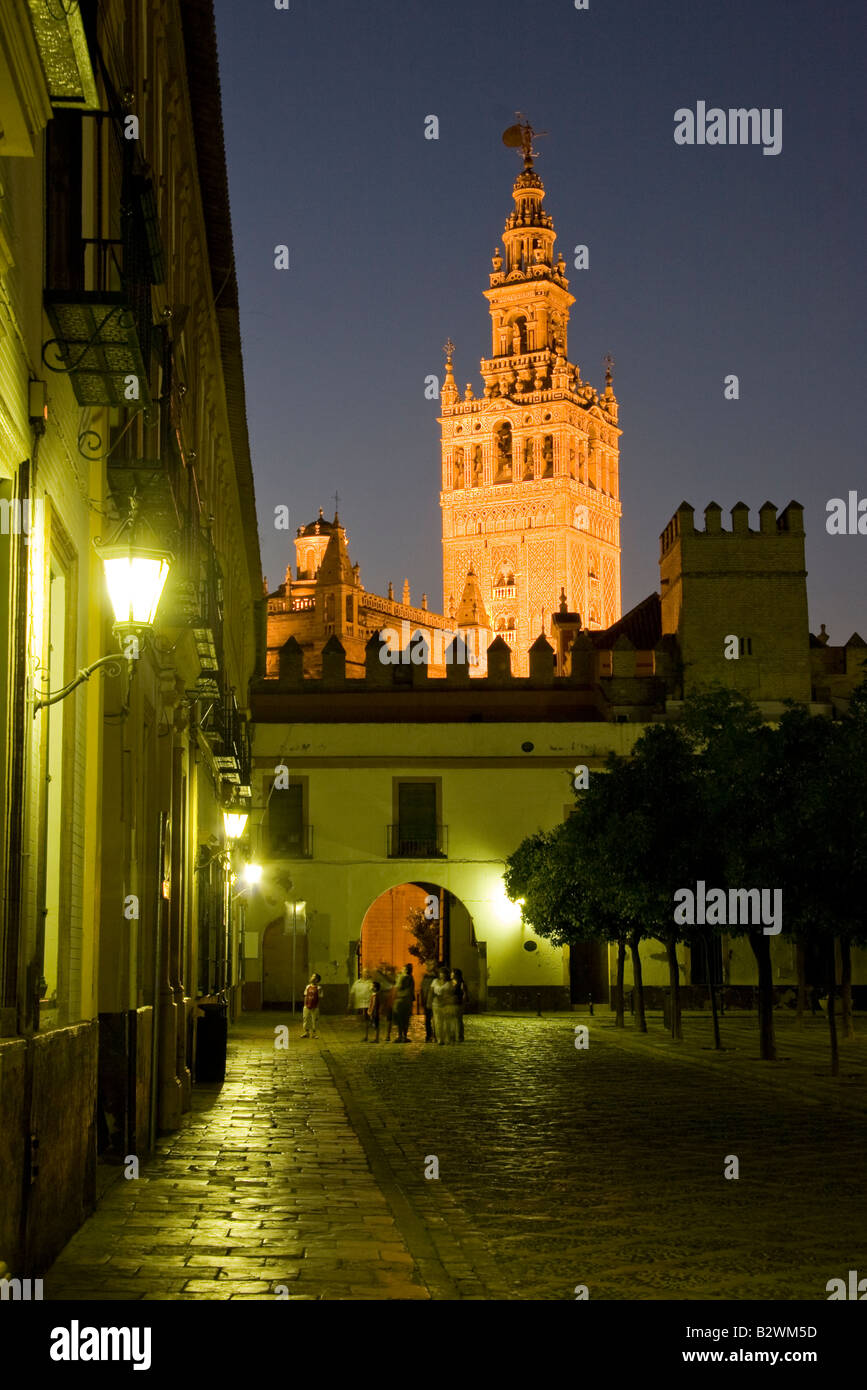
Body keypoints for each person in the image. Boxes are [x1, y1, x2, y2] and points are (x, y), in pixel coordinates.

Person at [391, 963, 415, 1043]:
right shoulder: (411, 978)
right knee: (405, 1019)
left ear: (406, 970)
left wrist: (398, 979)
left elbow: (399, 987)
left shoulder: (404, 978)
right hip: (407, 1000)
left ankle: (401, 1036)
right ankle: (404, 1036)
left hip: (401, 1000)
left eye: (403, 968)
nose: (401, 970)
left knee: (400, 1019)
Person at [349, 970, 374, 1039]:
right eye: (365, 972)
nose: (366, 974)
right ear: (362, 973)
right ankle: (363, 1035)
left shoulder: (371, 983)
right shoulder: (357, 982)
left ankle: (367, 1035)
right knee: (361, 1021)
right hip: (359, 1005)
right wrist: (350, 1003)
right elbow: (352, 993)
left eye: (367, 972)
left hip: (367, 1004)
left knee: (366, 1020)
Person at [437, 972, 458, 1044]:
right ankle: (447, 1038)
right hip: (446, 1004)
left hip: (449, 1004)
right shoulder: (450, 983)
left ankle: (450, 1038)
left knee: (448, 1023)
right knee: (446, 1023)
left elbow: (454, 991)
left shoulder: (450, 983)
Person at [431, 966, 450, 1044]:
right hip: (436, 1004)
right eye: (441, 973)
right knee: (437, 1021)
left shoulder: (449, 983)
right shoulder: (435, 981)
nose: (442, 975)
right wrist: (429, 1001)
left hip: (446, 1004)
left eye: (443, 973)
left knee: (446, 1022)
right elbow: (431, 991)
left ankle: (446, 1038)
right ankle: (439, 1038)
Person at [420, 961, 437, 1042]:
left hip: (434, 1001)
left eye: (428, 965)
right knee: (427, 1019)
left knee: (435, 1019)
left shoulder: (435, 977)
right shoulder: (425, 977)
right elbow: (422, 990)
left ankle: (436, 1035)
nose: (426, 967)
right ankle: (429, 1035)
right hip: (426, 1001)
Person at [301, 973, 322, 1038]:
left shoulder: (319, 988)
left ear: (317, 979)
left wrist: (317, 1006)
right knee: (306, 1019)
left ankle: (314, 1033)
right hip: (307, 1006)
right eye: (312, 976)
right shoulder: (307, 987)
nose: (312, 977)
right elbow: (305, 996)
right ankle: (306, 1032)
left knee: (314, 1020)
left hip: (315, 1007)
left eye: (313, 976)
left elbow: (320, 997)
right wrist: (305, 1005)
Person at [452, 968, 468, 1041]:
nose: (451, 974)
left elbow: (464, 994)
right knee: (454, 1020)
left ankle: (459, 1035)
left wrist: (463, 1003)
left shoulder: (461, 983)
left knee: (458, 1020)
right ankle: (454, 1035)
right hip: (452, 1003)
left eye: (452, 973)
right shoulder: (451, 982)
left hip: (458, 1002)